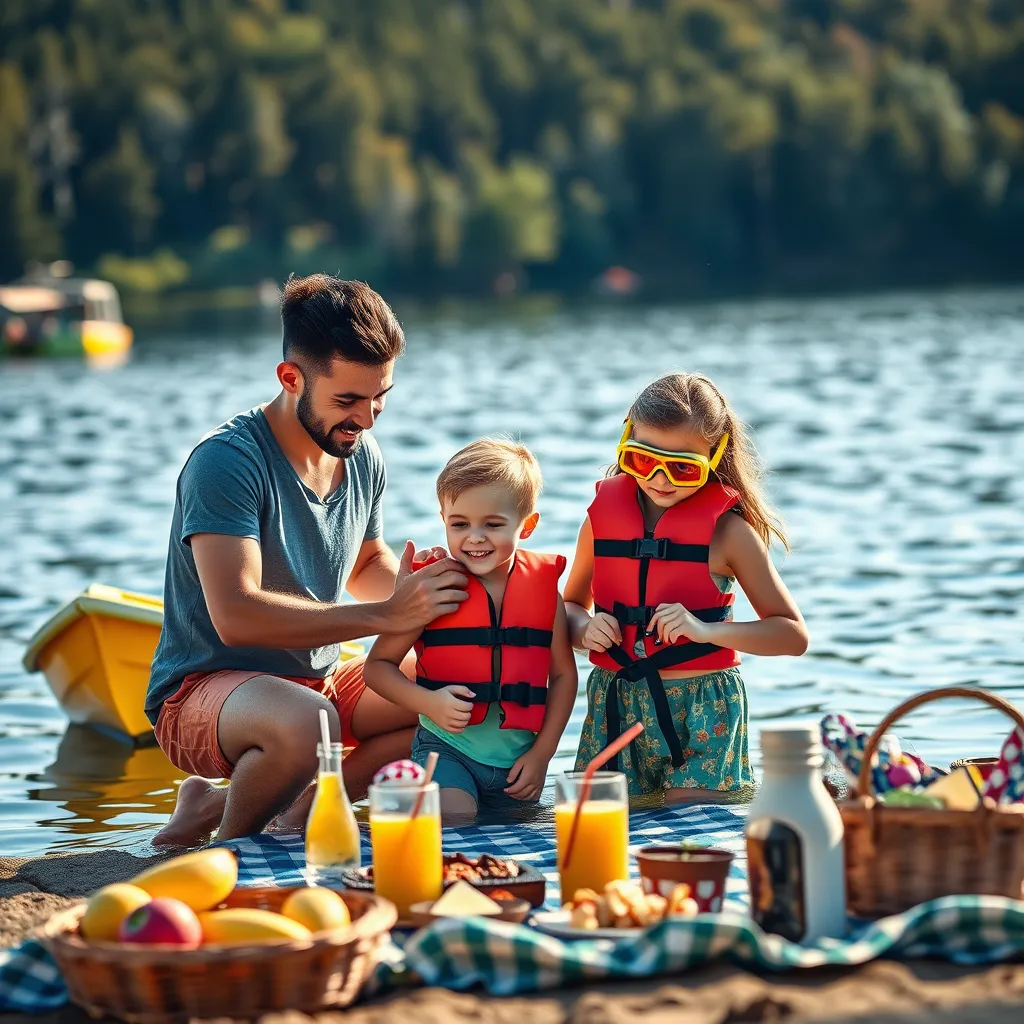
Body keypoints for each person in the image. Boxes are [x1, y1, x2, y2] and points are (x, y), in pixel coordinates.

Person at [145, 275, 468, 847]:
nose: (367, 419)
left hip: (314, 682)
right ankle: (232, 846)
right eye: (347, 400)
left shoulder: (360, 452)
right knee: (306, 722)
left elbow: (367, 562)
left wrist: (431, 597)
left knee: (460, 685)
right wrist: (381, 619)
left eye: (380, 397)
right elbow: (237, 615)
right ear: (291, 379)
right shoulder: (225, 463)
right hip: (200, 692)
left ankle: (286, 810)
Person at [564, 372, 808, 807]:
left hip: (703, 710)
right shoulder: (602, 519)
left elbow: (791, 634)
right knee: (603, 828)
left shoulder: (729, 534)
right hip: (615, 703)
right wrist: (584, 629)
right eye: (642, 460)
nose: (660, 478)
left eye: (682, 467)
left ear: (714, 457)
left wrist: (707, 631)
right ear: (626, 441)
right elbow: (569, 608)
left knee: (694, 834)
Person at [364, 439, 578, 821]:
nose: (475, 538)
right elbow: (377, 666)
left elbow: (563, 675)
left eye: (493, 525)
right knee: (456, 821)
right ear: (443, 519)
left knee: (516, 844)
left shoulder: (544, 593)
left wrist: (543, 754)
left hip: (518, 764)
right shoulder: (433, 588)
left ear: (526, 525)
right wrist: (428, 703)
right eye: (459, 524)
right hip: (446, 750)